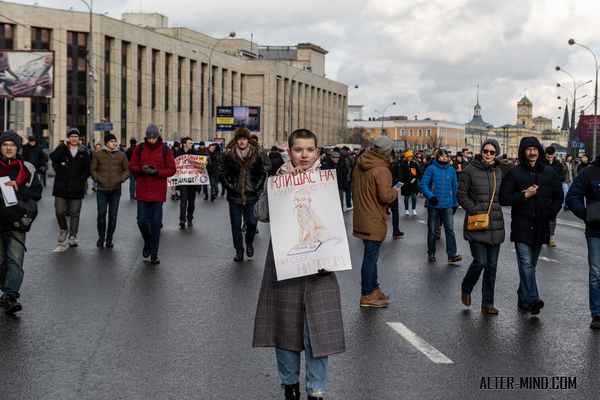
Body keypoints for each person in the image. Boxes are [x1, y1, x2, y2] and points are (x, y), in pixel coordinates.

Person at [253, 129, 344, 400]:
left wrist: (333, 256)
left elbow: (332, 222)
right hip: (285, 266)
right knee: (285, 330)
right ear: (289, 152)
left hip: (320, 268)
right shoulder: (277, 180)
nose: (304, 155)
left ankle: (316, 391)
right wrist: (279, 188)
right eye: (298, 150)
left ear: (317, 152)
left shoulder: (325, 181)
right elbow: (261, 215)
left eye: (310, 150)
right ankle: (289, 388)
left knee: (318, 334)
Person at [499, 137, 563, 315]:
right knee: (526, 265)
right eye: (528, 150)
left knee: (530, 267)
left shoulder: (549, 173)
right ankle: (533, 298)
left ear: (540, 151)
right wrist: (524, 196)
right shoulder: (514, 172)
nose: (532, 153)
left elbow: (559, 197)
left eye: (535, 149)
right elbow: (504, 198)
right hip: (522, 226)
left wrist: (550, 212)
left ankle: (523, 296)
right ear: (523, 152)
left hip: (540, 226)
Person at [353, 136, 401, 307]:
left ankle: (374, 288)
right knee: (370, 257)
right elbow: (386, 196)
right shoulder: (382, 170)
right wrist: (395, 189)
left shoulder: (360, 163)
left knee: (371, 255)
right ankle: (366, 295)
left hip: (362, 215)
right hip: (373, 217)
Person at [457, 139, 504, 314]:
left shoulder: (498, 172)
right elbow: (461, 195)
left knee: (492, 266)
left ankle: (487, 303)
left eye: (492, 152)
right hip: (477, 223)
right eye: (486, 151)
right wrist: (474, 209)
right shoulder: (469, 170)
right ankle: (466, 286)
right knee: (480, 262)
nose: (488, 154)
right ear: (481, 151)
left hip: (495, 224)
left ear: (496, 153)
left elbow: (504, 196)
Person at [0, 130, 42, 314]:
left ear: (17, 147)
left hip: (17, 222)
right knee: (1, 261)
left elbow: (37, 193)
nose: (9, 148)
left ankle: (10, 295)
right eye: (5, 144)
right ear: (1, 147)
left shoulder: (27, 168)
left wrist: (20, 188)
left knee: (15, 260)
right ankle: (5, 290)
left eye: (12, 144)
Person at [129, 124, 176, 264]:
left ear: (158, 137)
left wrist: (157, 172)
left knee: (156, 223)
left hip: (158, 191)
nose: (151, 140)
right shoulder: (140, 148)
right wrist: (140, 169)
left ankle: (154, 253)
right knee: (141, 221)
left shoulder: (165, 150)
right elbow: (131, 166)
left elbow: (172, 169)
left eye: (153, 138)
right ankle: (148, 242)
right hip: (143, 190)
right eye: (149, 138)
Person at [218, 128, 266, 261]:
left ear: (248, 140)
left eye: (244, 139)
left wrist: (256, 187)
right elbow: (222, 174)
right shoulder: (230, 156)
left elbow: (262, 173)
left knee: (252, 222)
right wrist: (231, 186)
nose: (242, 141)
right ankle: (239, 250)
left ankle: (249, 242)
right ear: (236, 141)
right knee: (236, 225)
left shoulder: (256, 156)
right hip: (234, 196)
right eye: (239, 139)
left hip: (251, 196)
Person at [565, 153, 600, 329]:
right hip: (596, 233)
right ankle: (597, 314)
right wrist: (587, 215)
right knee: (596, 274)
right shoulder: (590, 172)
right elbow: (571, 197)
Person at [49, 127, 91, 247]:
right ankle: (63, 229)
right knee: (59, 211)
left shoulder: (83, 152)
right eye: (71, 136)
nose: (74, 139)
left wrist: (81, 180)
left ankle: (73, 236)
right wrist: (63, 146)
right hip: (61, 186)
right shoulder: (62, 149)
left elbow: (87, 169)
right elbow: (53, 158)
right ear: (68, 138)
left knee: (75, 213)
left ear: (79, 138)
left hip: (76, 187)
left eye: (76, 137)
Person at [420, 149, 461, 263]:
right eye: (442, 156)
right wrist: (430, 196)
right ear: (437, 157)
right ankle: (431, 253)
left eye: (446, 156)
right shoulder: (431, 169)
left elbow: (455, 187)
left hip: (447, 204)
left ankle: (452, 254)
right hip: (434, 204)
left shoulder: (452, 170)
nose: (444, 158)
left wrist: (455, 203)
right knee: (432, 230)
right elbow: (423, 184)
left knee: (450, 229)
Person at [90, 133, 130, 247]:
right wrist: (97, 179)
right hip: (102, 189)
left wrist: (121, 179)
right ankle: (101, 237)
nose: (114, 143)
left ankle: (109, 239)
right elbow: (92, 169)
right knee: (101, 214)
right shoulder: (98, 155)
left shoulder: (121, 155)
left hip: (116, 190)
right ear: (106, 142)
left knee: (113, 216)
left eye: (115, 141)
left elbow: (127, 169)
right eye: (112, 141)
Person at [543, 146, 565, 247]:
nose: (550, 159)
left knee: (553, 215)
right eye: (548, 157)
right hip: (543, 193)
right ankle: (541, 236)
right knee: (541, 215)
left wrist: (552, 175)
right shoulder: (541, 163)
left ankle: (550, 237)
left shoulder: (558, 164)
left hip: (554, 193)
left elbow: (563, 177)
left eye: (551, 157)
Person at [176, 137, 198, 227]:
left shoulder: (195, 153)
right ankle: (182, 220)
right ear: (184, 144)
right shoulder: (179, 153)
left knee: (192, 202)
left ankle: (189, 218)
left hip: (193, 182)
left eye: (191, 143)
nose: (191, 144)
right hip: (183, 181)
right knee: (183, 201)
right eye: (189, 143)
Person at [389, 150, 404, 237]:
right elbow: (401, 179)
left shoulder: (379, 165)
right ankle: (396, 229)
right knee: (395, 211)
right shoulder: (395, 164)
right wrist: (396, 188)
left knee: (379, 211)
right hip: (392, 190)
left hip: (380, 190)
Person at [400, 151, 420, 215]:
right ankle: (406, 209)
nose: (411, 158)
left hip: (413, 183)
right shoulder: (402, 165)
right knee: (406, 196)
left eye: (411, 157)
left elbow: (419, 173)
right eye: (409, 157)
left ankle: (414, 209)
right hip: (406, 183)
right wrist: (401, 183)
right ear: (406, 157)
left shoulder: (414, 164)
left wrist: (414, 178)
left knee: (414, 196)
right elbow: (400, 174)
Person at [340, 146, 355, 211]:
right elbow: (353, 164)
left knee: (339, 192)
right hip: (347, 177)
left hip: (340, 177)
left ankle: (340, 206)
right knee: (348, 192)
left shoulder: (338, 155)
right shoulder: (348, 157)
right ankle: (348, 206)